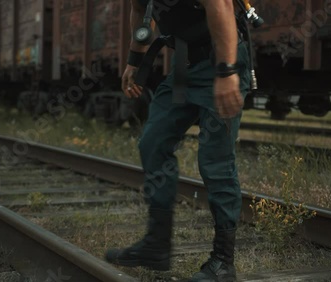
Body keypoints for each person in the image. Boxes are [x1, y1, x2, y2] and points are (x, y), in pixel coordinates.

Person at [105, 0, 251, 281]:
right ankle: (156, 246)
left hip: (223, 58)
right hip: (187, 65)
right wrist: (134, 61)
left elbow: (220, 6)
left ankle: (223, 262)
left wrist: (226, 72)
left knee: (215, 161)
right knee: (153, 142)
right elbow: (139, 9)